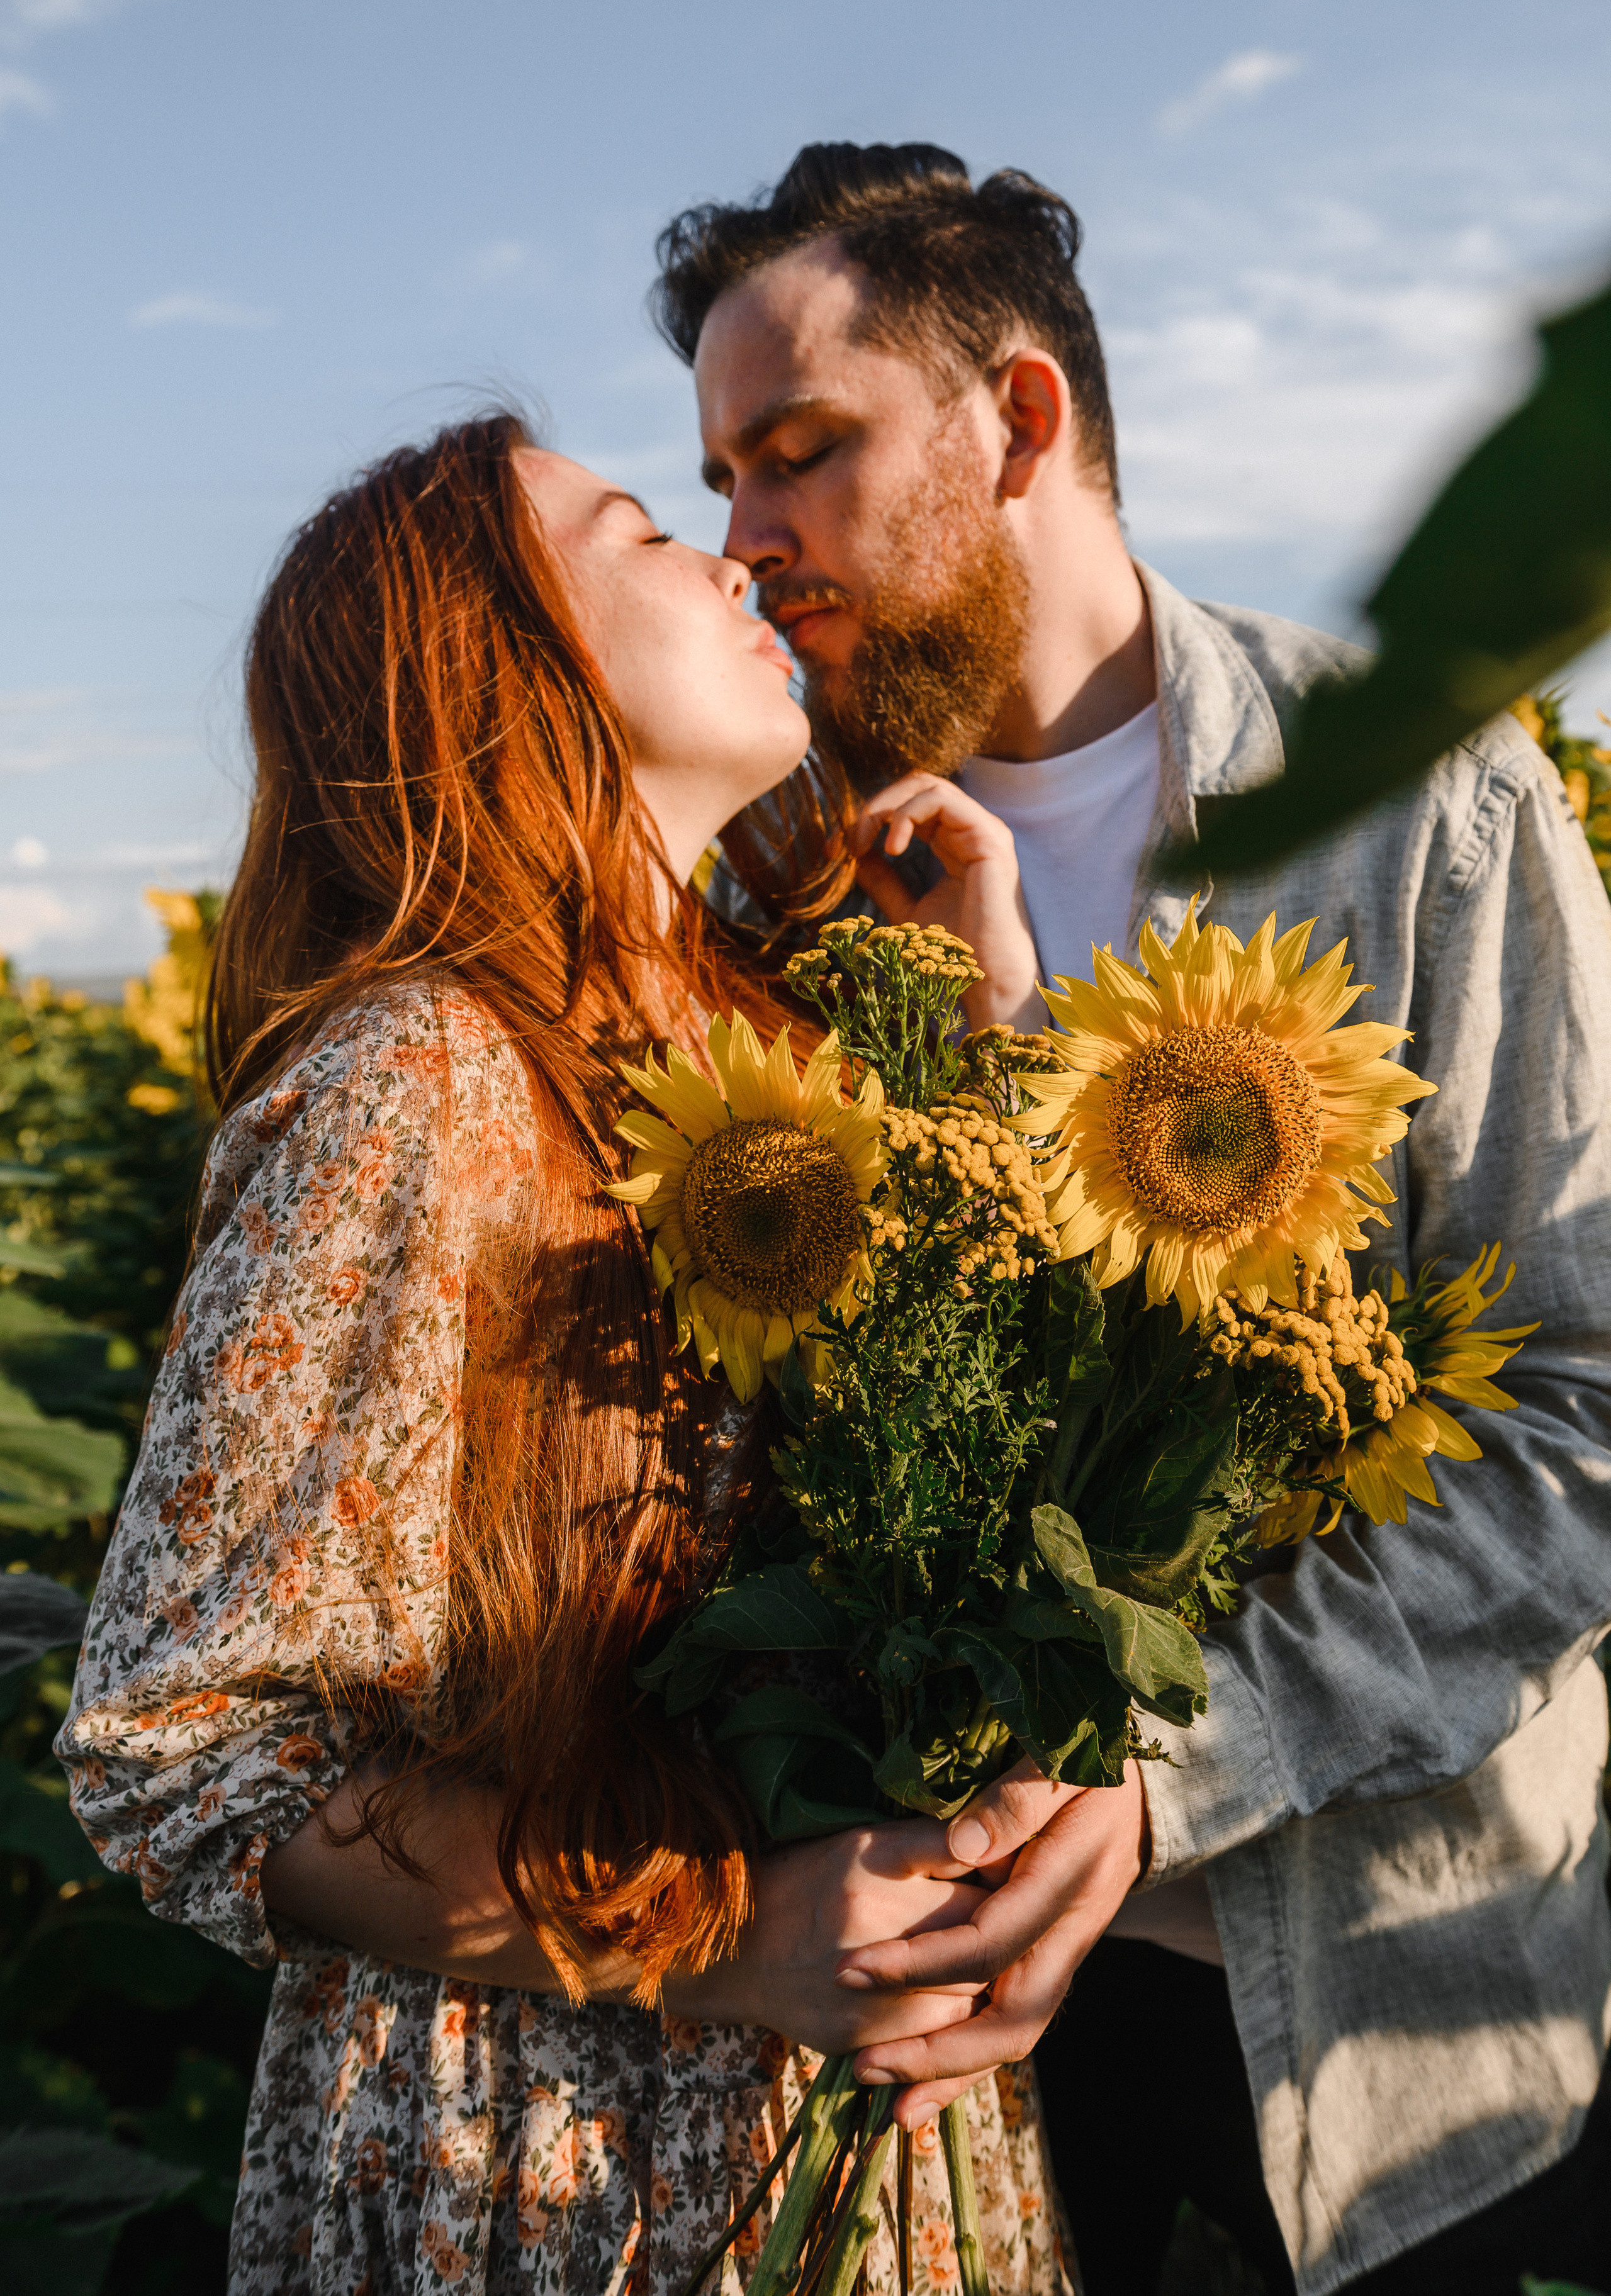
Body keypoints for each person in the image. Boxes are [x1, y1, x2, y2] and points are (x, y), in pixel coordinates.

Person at [656, 142, 1611, 2294]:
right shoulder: (760, 874)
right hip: (924, 2032)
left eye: (802, 451)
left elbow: (1587, 1416)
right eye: (720, 478)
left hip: (1388, 1993)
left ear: (1022, 420)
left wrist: (1174, 1775)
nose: (747, 541)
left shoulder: (1427, 803)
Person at [55, 412, 1081, 2296]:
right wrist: (717, 1936)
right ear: (501, 663)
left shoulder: (779, 1055)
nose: (736, 556)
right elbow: (182, 1759)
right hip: (551, 2144)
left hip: (860, 2120)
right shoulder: (419, 1081)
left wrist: (995, 1035)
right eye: (638, 528)